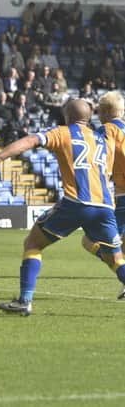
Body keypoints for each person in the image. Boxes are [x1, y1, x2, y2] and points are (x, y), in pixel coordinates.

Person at [0, 99, 125, 315]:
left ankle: (24, 301)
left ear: (67, 116)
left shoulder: (63, 132)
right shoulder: (103, 139)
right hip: (104, 206)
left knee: (33, 243)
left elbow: (30, 141)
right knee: (116, 259)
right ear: (89, 117)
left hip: (75, 203)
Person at [81, 92, 125, 298]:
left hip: (123, 195)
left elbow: (97, 159)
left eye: (99, 111)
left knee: (89, 241)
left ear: (106, 112)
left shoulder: (107, 130)